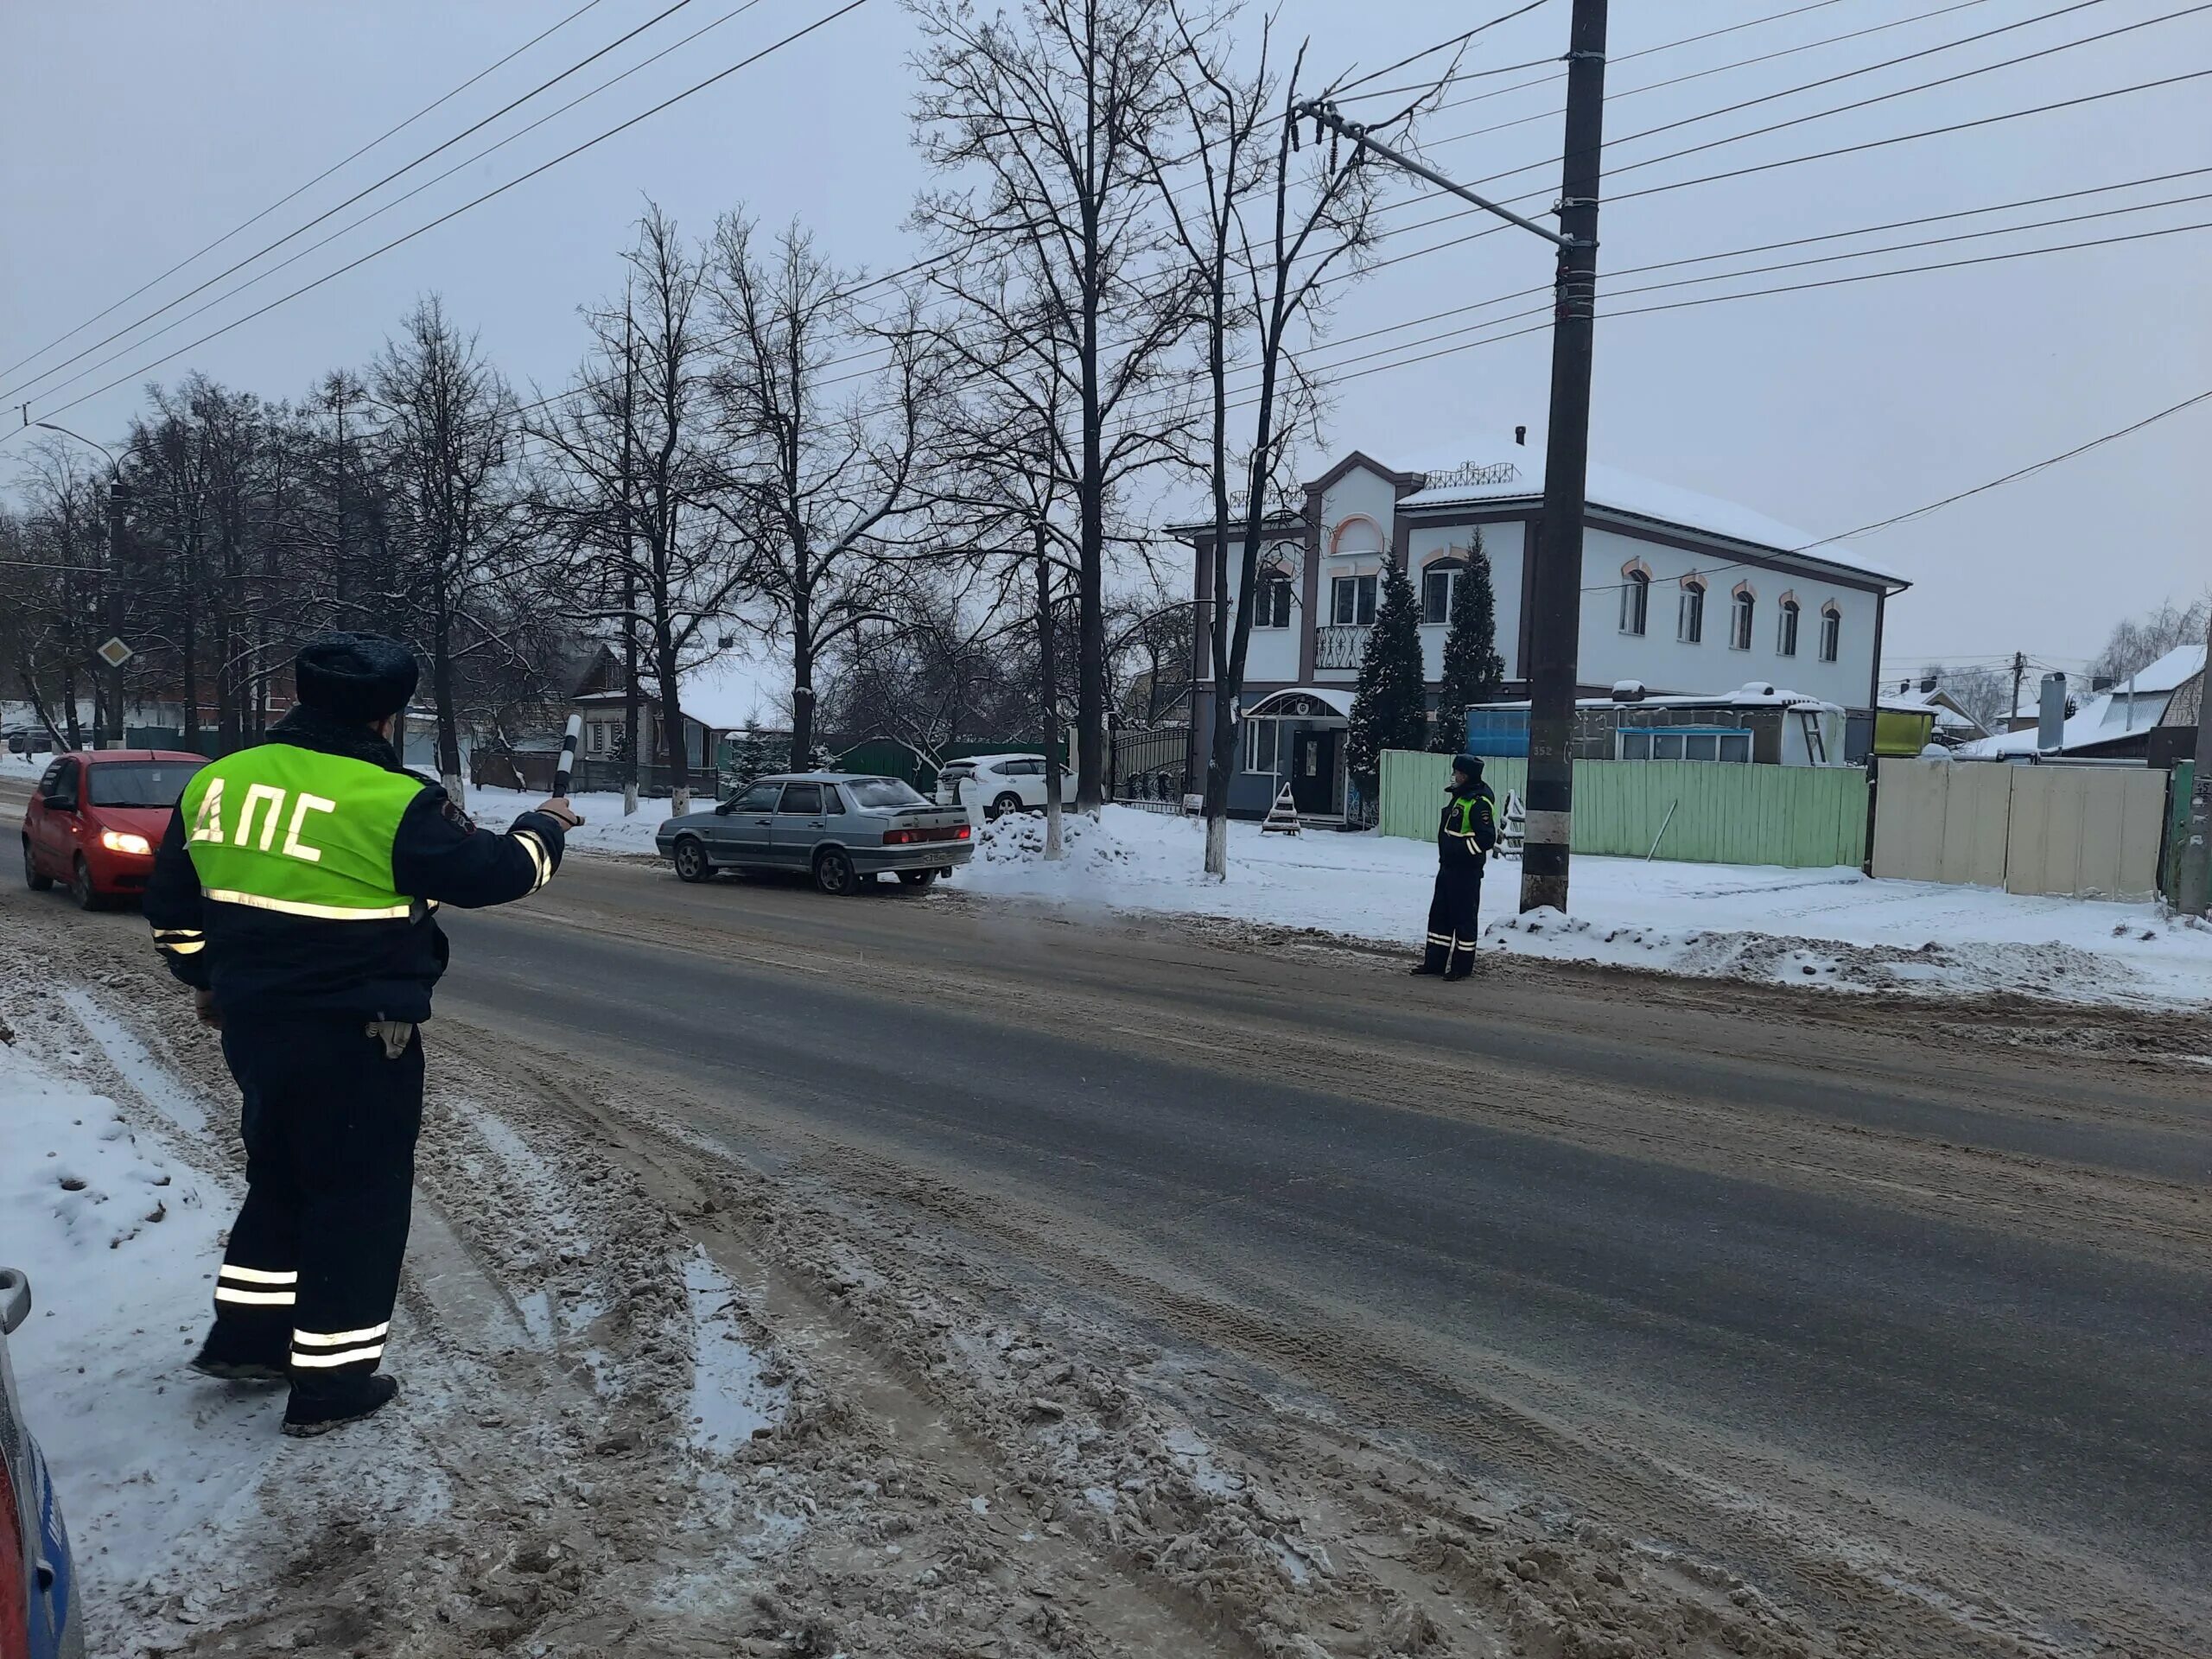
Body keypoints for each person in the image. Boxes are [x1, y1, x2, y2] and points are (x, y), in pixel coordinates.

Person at [143, 632, 582, 1438]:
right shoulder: (391, 803)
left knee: (280, 1179)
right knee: (357, 1203)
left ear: (301, 698)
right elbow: (498, 875)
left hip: (255, 1030)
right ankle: (330, 1384)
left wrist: (208, 982)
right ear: (389, 713)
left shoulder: (219, 781)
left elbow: (172, 912)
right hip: (357, 1038)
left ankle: (247, 1342)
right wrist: (544, 825)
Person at [1412, 753, 1497, 982]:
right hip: (1448, 868)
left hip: (1465, 872)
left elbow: (1487, 839)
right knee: (1440, 916)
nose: (1454, 776)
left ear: (1467, 775)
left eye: (1458, 773)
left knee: (1463, 918)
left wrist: (1460, 852)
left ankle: (1462, 967)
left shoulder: (1479, 803)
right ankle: (1434, 963)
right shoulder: (1461, 797)